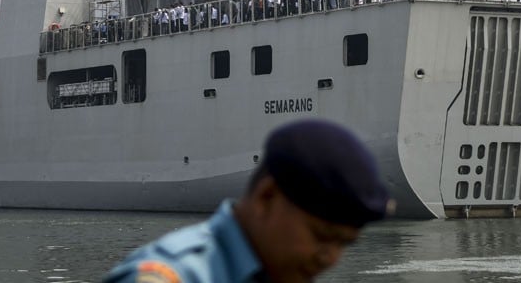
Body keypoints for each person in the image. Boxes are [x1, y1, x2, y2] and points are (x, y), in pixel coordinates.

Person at [103, 119, 390, 283]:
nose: (330, 257)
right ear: (267, 197)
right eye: (321, 236)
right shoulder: (169, 278)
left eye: (344, 243)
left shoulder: (275, 272)